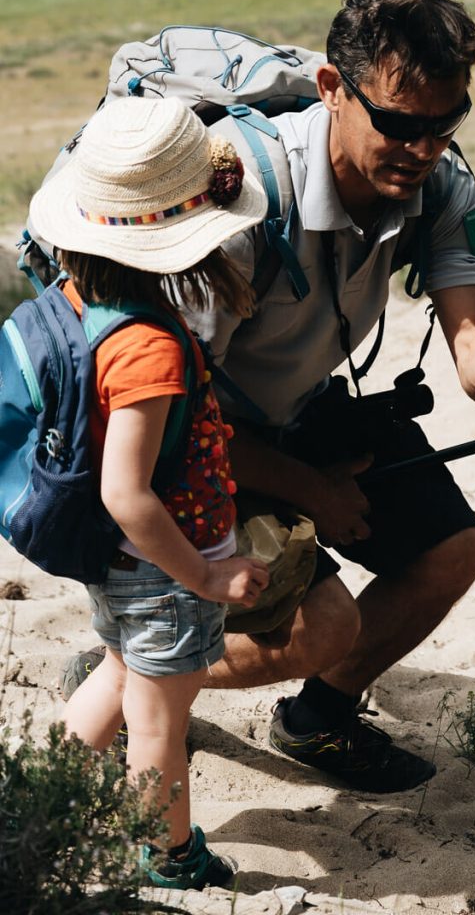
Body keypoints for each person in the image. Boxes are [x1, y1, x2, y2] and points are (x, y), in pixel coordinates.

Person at [182, 0, 475, 795]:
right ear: (331, 89)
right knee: (320, 624)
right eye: (398, 122)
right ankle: (138, 666)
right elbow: (163, 412)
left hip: (297, 409)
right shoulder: (237, 193)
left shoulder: (441, 185)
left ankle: (317, 721)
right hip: (188, 434)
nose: (423, 147)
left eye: (446, 121)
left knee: (450, 550)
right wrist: (308, 487)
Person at [29, 95, 270, 890]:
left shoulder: (80, 302)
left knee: (120, 673)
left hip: (124, 567)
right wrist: (201, 575)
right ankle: (167, 856)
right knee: (160, 721)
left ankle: (40, 795)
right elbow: (127, 492)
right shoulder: (148, 350)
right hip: (161, 565)